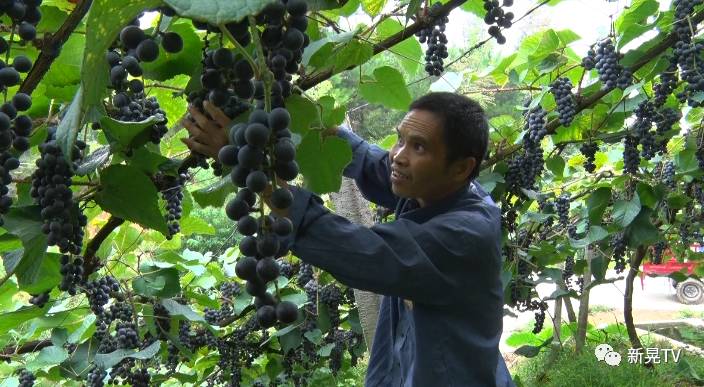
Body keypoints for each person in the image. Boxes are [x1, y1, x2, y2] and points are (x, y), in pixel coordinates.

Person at [182, 92, 515, 387]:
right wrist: (310, 120)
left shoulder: (464, 234)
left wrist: (252, 169)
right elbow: (372, 163)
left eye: (419, 146)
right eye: (400, 138)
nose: (398, 155)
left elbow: (361, 251)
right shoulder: (433, 187)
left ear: (461, 168)